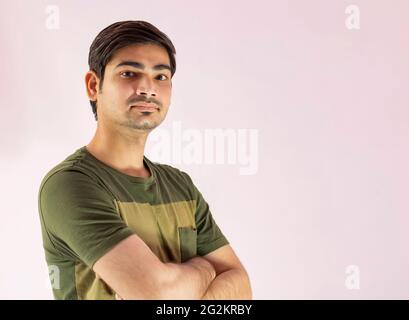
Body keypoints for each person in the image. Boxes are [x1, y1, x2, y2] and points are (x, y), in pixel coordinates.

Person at [38, 20, 252, 300]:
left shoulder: (180, 184)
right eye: (129, 73)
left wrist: (179, 288)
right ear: (93, 85)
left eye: (161, 77)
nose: (148, 89)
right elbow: (157, 296)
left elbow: (242, 290)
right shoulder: (69, 185)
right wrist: (204, 269)